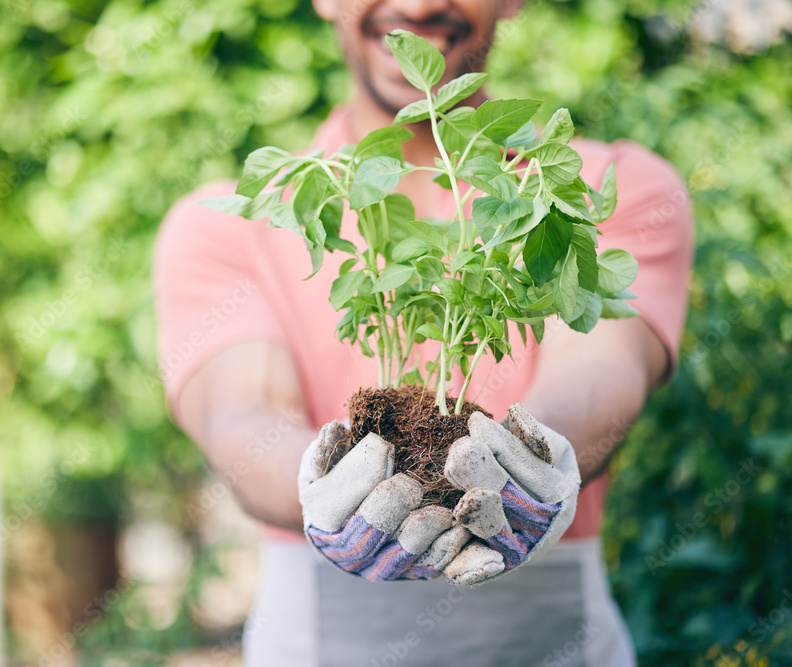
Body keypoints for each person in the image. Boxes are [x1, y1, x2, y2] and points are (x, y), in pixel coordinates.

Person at [153, 0, 693, 664]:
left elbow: (600, 366)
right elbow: (245, 413)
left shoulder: (593, 189)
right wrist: (320, 486)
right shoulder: (231, 223)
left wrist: (529, 463)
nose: (415, 3)